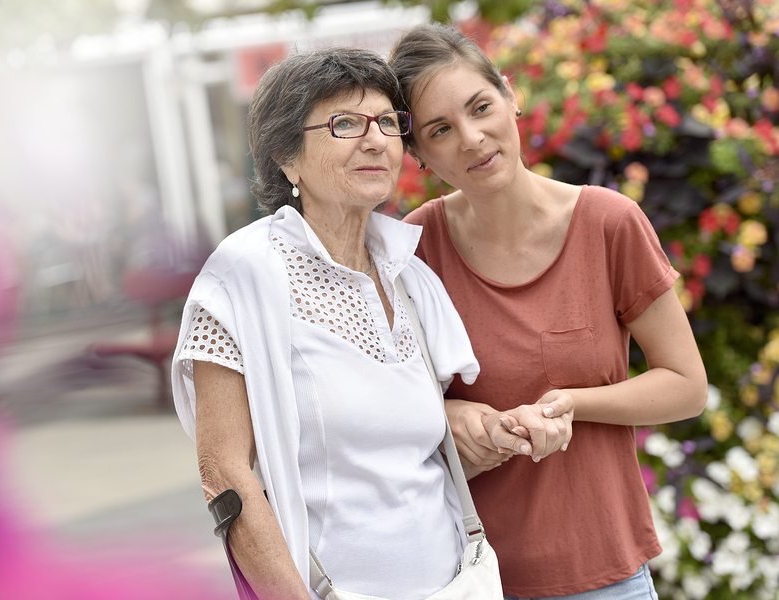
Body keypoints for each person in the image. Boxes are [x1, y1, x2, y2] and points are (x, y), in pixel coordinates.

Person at [171, 48, 508, 599]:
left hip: (456, 583)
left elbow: (406, 451)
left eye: (385, 123)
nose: (375, 140)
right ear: (287, 157)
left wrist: (490, 427)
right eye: (344, 124)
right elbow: (224, 473)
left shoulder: (410, 276)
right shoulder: (243, 279)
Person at [388, 24, 708, 600]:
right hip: (469, 580)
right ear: (420, 156)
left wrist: (571, 404)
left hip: (606, 576)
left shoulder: (610, 224)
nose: (472, 138)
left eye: (480, 107)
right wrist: (449, 416)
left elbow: (686, 386)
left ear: (510, 98)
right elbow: (391, 406)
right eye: (440, 129)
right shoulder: (415, 249)